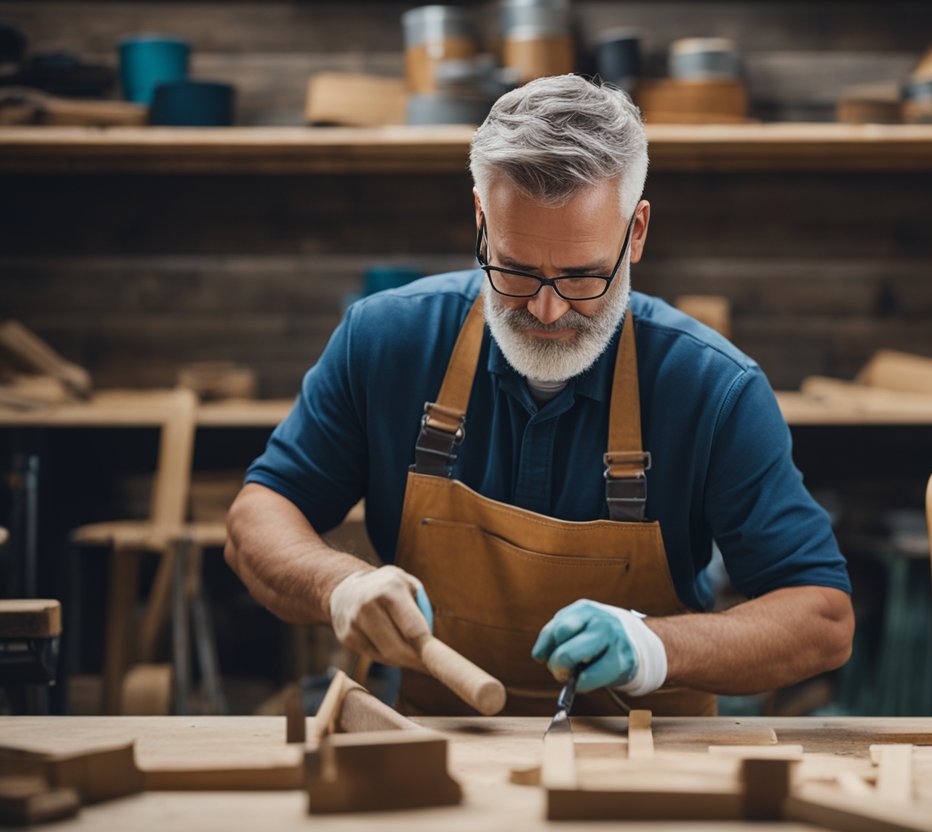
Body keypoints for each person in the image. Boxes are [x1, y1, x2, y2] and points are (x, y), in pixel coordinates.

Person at [225, 74, 853, 716]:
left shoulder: (714, 389)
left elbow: (822, 617)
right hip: (437, 744)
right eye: (515, 270)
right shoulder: (384, 341)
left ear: (635, 233)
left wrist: (654, 646)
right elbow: (257, 517)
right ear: (480, 218)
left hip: (645, 761)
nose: (548, 310)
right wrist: (341, 585)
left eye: (582, 277)